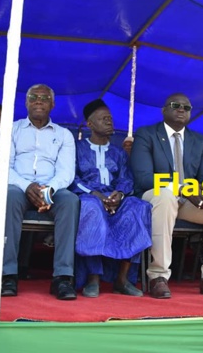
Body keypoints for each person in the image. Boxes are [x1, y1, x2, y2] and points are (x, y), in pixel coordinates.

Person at [130, 93, 203, 298]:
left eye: (187, 107)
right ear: (164, 110)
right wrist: (183, 189)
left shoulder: (197, 140)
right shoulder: (146, 134)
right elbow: (143, 178)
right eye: (176, 105)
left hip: (188, 202)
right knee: (166, 196)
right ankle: (158, 276)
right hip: (155, 198)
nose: (181, 109)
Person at [0, 84, 79, 300]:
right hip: (18, 186)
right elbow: (1, 166)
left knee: (70, 201)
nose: (38, 101)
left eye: (44, 98)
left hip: (51, 188)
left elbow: (66, 171)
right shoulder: (11, 129)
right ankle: (8, 274)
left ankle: (62, 277)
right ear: (26, 103)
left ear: (52, 104)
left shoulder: (64, 135)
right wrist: (27, 186)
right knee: (10, 196)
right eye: (33, 96)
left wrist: (48, 190)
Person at [71, 99, 152, 298]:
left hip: (115, 198)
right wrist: (94, 194)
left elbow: (126, 179)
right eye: (103, 119)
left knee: (139, 207)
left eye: (110, 118)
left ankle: (122, 279)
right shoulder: (77, 148)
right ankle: (93, 277)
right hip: (88, 195)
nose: (109, 122)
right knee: (90, 208)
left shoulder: (119, 153)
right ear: (90, 124)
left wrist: (120, 194)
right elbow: (72, 177)